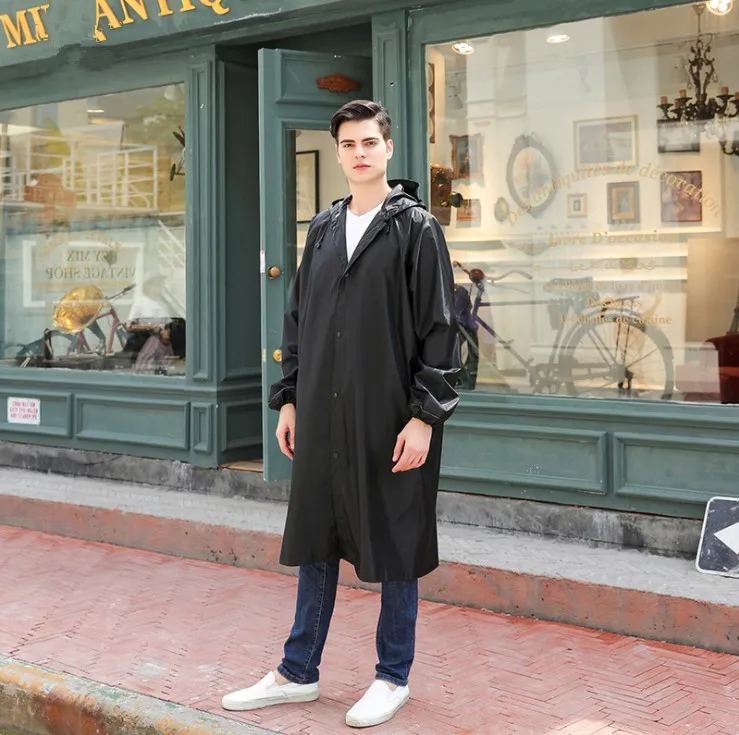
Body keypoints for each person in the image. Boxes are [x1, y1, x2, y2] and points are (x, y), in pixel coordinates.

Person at [221, 100, 460, 728]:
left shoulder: (416, 229)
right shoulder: (324, 229)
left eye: (369, 142)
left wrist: (424, 417)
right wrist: (290, 398)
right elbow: (298, 318)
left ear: (388, 148)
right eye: (348, 144)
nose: (359, 153)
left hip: (392, 415)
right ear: (337, 153)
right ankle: (297, 671)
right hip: (323, 411)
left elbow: (441, 329)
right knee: (317, 537)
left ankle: (392, 675)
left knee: (398, 541)